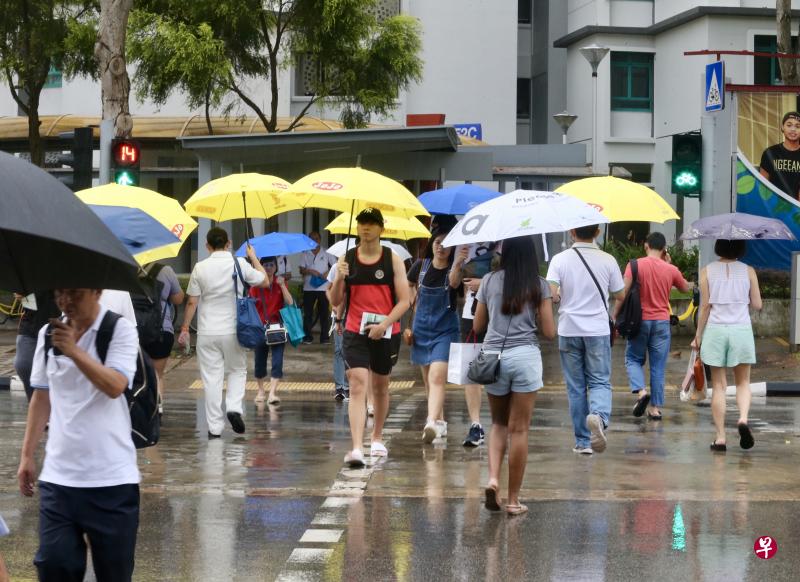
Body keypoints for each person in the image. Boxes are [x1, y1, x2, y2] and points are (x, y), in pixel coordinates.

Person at [17, 288, 140, 581]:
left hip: (112, 481)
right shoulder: (49, 334)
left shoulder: (117, 329)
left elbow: (115, 386)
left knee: (114, 574)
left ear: (97, 291)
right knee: (53, 566)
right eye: (60, 293)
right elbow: (41, 398)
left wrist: (74, 350)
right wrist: (26, 455)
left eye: (75, 293)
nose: (65, 301)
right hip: (59, 480)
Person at [473, 236, 555, 516]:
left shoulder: (489, 280)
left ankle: (493, 480)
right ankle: (513, 500)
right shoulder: (539, 285)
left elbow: (478, 324)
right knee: (519, 429)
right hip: (525, 358)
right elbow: (549, 332)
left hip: (493, 357)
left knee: (497, 424)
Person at [329, 208, 410, 467]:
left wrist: (385, 323)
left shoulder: (392, 259)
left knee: (381, 386)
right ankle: (355, 447)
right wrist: (340, 277)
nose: (366, 228)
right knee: (357, 385)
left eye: (371, 223)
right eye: (362, 223)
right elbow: (335, 300)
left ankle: (376, 437)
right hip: (355, 330)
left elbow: (405, 301)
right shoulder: (347, 258)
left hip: (386, 331)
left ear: (381, 229)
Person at [178, 228, 267, 438]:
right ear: (228, 243)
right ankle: (234, 408)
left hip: (207, 332)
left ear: (207, 246)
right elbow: (264, 281)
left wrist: (184, 327)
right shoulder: (240, 263)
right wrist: (253, 258)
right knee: (237, 370)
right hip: (233, 330)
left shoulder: (200, 268)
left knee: (211, 379)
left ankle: (215, 428)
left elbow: (192, 301)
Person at [546, 225, 624, 455]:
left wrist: (560, 295)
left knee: (576, 387)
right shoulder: (608, 260)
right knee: (600, 380)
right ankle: (598, 416)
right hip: (597, 330)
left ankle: (583, 442)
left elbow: (552, 293)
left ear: (572, 232)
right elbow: (620, 294)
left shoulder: (559, 259)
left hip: (569, 329)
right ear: (597, 232)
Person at [692, 239, 762, 452]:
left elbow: (705, 307)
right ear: (741, 248)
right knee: (743, 383)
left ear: (718, 247)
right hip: (740, 329)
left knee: (719, 387)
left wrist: (698, 336)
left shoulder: (707, 271)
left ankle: (721, 438)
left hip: (716, 330)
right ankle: (742, 419)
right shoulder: (748, 271)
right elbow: (757, 304)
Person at [613, 232, 689, 420]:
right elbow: (685, 288)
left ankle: (641, 393)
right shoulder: (670, 269)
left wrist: (615, 316)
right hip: (662, 323)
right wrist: (670, 265)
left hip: (638, 322)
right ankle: (654, 408)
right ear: (664, 250)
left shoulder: (634, 265)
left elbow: (622, 293)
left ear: (646, 246)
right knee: (658, 366)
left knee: (633, 359)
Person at [407, 227, 462, 444]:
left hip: (446, 329)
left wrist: (458, 264)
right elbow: (409, 284)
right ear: (431, 244)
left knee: (437, 376)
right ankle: (439, 421)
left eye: (447, 243)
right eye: (438, 242)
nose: (441, 246)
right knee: (429, 381)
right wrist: (413, 301)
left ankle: (430, 421)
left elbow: (455, 283)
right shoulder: (421, 266)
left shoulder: (454, 269)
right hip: (421, 328)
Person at [450, 241, 499, 447]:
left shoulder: (503, 242)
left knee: (499, 368)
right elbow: (453, 283)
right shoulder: (464, 243)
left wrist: (484, 282)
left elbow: (511, 275)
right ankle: (476, 424)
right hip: (470, 313)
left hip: (498, 313)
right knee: (472, 369)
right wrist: (458, 262)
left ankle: (500, 425)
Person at [139, 263, 184, 415]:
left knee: (137, 372)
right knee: (157, 374)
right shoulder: (165, 270)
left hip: (134, 329)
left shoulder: (128, 267)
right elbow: (178, 299)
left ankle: (139, 408)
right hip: (161, 330)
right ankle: (157, 409)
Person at [251, 256, 294, 405]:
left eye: (271, 265)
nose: (268, 268)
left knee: (277, 360)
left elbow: (290, 302)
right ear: (261, 267)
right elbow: (250, 305)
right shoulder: (256, 285)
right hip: (259, 328)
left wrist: (282, 286)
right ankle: (261, 391)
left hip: (277, 327)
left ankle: (273, 393)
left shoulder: (280, 283)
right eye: (265, 265)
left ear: (276, 267)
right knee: (259, 361)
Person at [13, 291, 60, 402]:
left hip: (57, 321)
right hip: (30, 323)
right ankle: (36, 403)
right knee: (23, 364)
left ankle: (48, 404)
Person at [299, 231, 336, 344]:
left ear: (320, 240)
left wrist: (328, 273)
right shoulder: (305, 253)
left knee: (324, 313)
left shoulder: (326, 252)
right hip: (308, 288)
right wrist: (310, 271)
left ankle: (324, 338)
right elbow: (301, 270)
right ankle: (307, 337)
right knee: (308, 313)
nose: (314, 240)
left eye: (316, 238)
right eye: (312, 238)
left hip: (323, 288)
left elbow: (335, 265)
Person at [759, 111, 800, 200]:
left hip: (796, 209)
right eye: (789, 125)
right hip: (772, 207)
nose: (793, 129)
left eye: (797, 126)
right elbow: (762, 185)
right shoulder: (770, 153)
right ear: (782, 127)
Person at [326, 262, 350, 401]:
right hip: (338, 317)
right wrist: (333, 303)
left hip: (354, 316)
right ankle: (340, 387)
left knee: (350, 352)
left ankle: (348, 387)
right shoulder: (337, 266)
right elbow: (328, 289)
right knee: (339, 350)